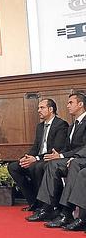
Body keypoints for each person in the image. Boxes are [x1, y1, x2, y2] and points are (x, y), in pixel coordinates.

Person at [27, 93, 86, 224]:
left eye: (71, 103)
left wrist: (65, 156)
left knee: (71, 164)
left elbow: (84, 147)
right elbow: (67, 147)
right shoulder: (72, 126)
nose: (67, 105)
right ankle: (48, 208)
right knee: (51, 163)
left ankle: (66, 212)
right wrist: (57, 155)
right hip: (71, 157)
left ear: (81, 104)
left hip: (81, 158)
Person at [8, 99, 68, 212]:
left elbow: (56, 148)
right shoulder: (40, 127)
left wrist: (35, 158)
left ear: (51, 109)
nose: (38, 110)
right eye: (38, 108)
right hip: (38, 159)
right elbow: (36, 146)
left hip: (50, 158)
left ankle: (45, 205)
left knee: (36, 167)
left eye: (42, 108)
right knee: (14, 167)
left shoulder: (61, 124)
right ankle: (33, 202)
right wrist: (26, 158)